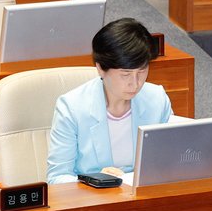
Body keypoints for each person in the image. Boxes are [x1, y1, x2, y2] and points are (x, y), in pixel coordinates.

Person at [46, 18, 173, 184]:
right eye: (125, 74)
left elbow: (171, 159)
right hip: (93, 202)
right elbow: (56, 178)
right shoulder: (71, 108)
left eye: (141, 71)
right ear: (100, 68)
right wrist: (95, 181)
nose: (135, 83)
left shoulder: (157, 99)